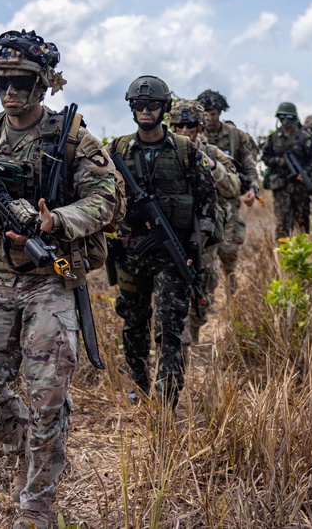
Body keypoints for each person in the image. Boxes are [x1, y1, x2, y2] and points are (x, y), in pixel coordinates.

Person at [0, 29, 118, 529]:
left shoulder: (72, 138)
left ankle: (37, 506)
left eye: (21, 83)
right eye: (1, 82)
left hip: (49, 279)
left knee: (48, 392)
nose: (10, 93)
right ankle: (38, 448)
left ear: (43, 85)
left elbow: (107, 199)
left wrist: (55, 220)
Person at [109, 76, 219, 409]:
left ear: (164, 109)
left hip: (173, 255)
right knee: (133, 323)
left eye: (152, 106)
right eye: (139, 106)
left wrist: (196, 246)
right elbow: (100, 196)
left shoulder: (186, 150)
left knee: (169, 328)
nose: (145, 111)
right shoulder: (117, 149)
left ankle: (168, 395)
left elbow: (207, 201)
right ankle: (139, 386)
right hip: (132, 253)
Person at [168, 98, 239, 346]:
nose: (184, 131)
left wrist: (212, 166)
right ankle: (181, 342)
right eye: (179, 126)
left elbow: (233, 187)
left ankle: (194, 331)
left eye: (189, 126)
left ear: (199, 127)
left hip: (205, 239)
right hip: (172, 235)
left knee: (204, 293)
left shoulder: (211, 154)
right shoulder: (165, 152)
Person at [195, 89, 259, 295]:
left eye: (213, 113)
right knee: (203, 252)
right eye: (206, 113)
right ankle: (206, 297)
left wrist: (253, 188)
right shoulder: (193, 135)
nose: (210, 118)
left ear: (220, 112)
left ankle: (231, 287)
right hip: (201, 200)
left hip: (228, 200)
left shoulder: (236, 136)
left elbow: (250, 166)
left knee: (229, 249)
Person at [261, 102, 312, 239]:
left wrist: (304, 172)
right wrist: (279, 161)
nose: (285, 121)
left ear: (294, 118)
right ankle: (282, 255)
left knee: (301, 223)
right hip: (281, 186)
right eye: (282, 118)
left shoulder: (304, 137)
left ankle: (303, 253)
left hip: (300, 187)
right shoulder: (273, 138)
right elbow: (265, 157)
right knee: (282, 223)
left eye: (288, 117)